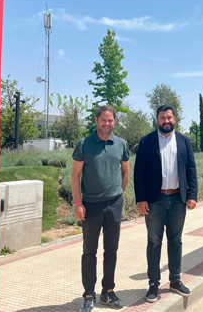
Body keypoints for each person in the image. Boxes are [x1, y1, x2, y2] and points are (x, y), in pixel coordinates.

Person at [134, 105, 198, 303]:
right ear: (157, 120)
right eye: (162, 118)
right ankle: (153, 283)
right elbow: (139, 173)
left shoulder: (184, 141)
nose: (166, 121)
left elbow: (191, 169)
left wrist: (192, 194)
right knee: (154, 241)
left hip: (178, 200)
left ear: (174, 119)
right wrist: (140, 199)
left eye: (169, 117)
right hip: (155, 200)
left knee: (176, 241)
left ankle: (175, 280)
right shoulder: (146, 141)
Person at [72, 106, 129, 312]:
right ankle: (89, 294)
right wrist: (78, 203)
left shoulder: (121, 144)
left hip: (114, 204)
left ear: (114, 121)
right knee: (89, 251)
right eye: (104, 120)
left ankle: (108, 291)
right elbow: (75, 175)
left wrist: (118, 193)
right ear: (97, 120)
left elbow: (125, 171)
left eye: (110, 120)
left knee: (111, 250)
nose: (107, 124)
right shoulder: (84, 144)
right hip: (91, 205)